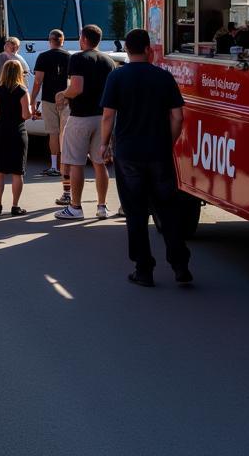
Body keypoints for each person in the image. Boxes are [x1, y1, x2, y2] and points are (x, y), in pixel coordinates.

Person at [100, 29, 192, 287]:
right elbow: (178, 117)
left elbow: (108, 116)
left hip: (128, 154)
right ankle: (180, 265)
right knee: (169, 210)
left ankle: (143, 269)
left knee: (136, 212)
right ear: (149, 50)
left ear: (127, 50)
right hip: (159, 153)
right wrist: (169, 142)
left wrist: (103, 144)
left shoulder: (117, 77)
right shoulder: (163, 77)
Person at [54, 24, 116, 221]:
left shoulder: (78, 58)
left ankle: (75, 207)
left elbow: (77, 87)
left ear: (84, 39)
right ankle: (102, 206)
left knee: (76, 163)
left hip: (80, 116)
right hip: (102, 116)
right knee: (100, 163)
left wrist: (63, 94)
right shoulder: (108, 61)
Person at [0, 59, 32, 216]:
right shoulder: (22, 90)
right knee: (17, 172)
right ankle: (15, 205)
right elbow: (25, 115)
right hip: (18, 132)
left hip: (2, 131)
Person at [33, 29, 71, 179]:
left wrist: (32, 100)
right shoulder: (70, 57)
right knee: (65, 133)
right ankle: (65, 165)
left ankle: (54, 166)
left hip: (49, 99)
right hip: (66, 99)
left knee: (53, 133)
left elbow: (38, 81)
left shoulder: (43, 57)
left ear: (50, 40)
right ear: (63, 41)